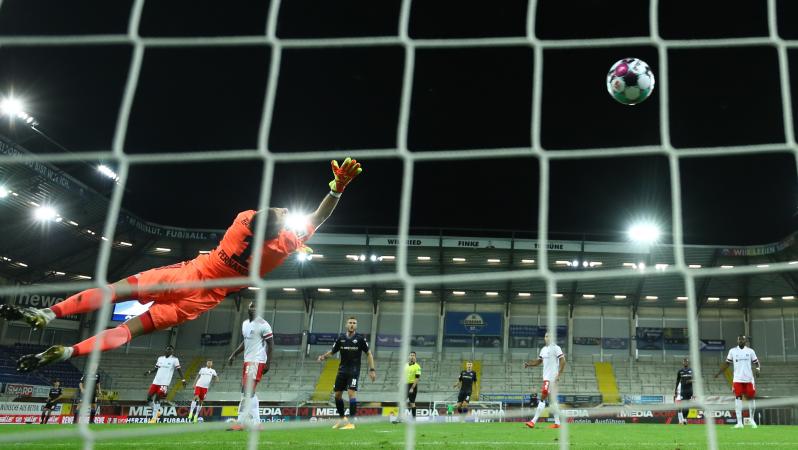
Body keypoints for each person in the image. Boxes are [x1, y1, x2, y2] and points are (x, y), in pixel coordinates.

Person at [0, 158, 363, 372]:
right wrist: (336, 189)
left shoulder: (242, 222)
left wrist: (279, 215)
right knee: (129, 332)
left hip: (185, 275)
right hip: (198, 301)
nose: (285, 212)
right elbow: (317, 217)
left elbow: (268, 216)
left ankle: (51, 314)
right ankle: (69, 351)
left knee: (113, 292)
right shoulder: (283, 247)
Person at [317, 316, 376, 430]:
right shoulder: (341, 338)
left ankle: (351, 423)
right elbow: (333, 351)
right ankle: (342, 419)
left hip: (354, 371)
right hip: (342, 370)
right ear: (346, 325)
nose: (352, 324)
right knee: (337, 394)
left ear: (356, 326)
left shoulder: (360, 339)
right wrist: (323, 357)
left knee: (350, 393)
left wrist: (372, 369)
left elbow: (369, 354)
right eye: (350, 322)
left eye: (354, 323)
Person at [227, 301, 273, 430]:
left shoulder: (263, 325)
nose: (254, 308)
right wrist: (234, 354)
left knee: (247, 391)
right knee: (247, 392)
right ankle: (255, 423)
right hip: (247, 361)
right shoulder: (245, 324)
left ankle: (242, 423)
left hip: (256, 361)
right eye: (252, 306)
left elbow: (271, 344)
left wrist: (268, 363)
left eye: (256, 307)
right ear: (248, 308)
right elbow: (245, 342)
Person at [715, 335, 760, 428]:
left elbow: (756, 362)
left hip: (749, 379)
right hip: (737, 379)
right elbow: (727, 363)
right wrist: (719, 373)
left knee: (751, 399)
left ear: (745, 341)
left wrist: (758, 368)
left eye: (742, 339)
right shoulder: (732, 351)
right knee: (738, 399)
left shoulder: (750, 351)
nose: (741, 341)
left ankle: (752, 420)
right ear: (737, 340)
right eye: (739, 339)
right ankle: (739, 423)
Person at [524, 331, 566, 429]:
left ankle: (533, 421)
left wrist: (559, 374)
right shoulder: (543, 349)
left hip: (552, 378)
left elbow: (563, 361)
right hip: (546, 377)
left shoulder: (556, 348)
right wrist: (529, 364)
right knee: (552, 401)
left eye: (549, 336)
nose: (547, 338)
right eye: (546, 336)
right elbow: (539, 361)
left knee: (544, 393)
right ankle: (557, 423)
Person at [144, 345, 185, 424]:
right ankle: (157, 412)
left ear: (172, 352)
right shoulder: (160, 358)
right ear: (165, 350)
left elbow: (179, 370)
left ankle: (154, 418)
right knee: (148, 398)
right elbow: (156, 368)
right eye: (168, 349)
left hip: (164, 383)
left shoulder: (175, 360)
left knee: (157, 399)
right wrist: (149, 372)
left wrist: (183, 379)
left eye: (171, 350)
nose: (169, 351)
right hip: (156, 381)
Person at [674, 357, 694, 425]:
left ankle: (685, 418)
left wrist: (690, 380)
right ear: (683, 363)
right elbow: (677, 381)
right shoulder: (680, 371)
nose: (685, 363)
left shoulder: (691, 370)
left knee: (687, 406)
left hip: (690, 390)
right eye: (684, 361)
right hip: (683, 390)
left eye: (686, 361)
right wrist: (675, 390)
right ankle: (683, 420)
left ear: (688, 363)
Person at [406, 351, 421, 420]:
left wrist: (412, 387)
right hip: (405, 385)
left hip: (412, 385)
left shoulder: (417, 367)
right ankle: (399, 418)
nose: (412, 356)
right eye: (411, 355)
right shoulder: (405, 365)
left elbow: (417, 378)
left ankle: (413, 418)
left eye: (413, 355)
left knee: (412, 403)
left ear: (415, 357)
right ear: (409, 356)